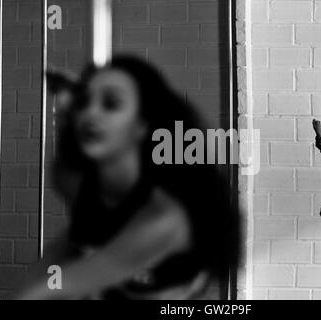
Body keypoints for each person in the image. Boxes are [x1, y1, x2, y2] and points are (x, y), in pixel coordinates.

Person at [13, 55, 240, 299]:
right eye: (84, 102)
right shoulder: (73, 181)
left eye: (111, 103)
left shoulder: (164, 217)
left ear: (142, 124)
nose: (91, 113)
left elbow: (52, 287)